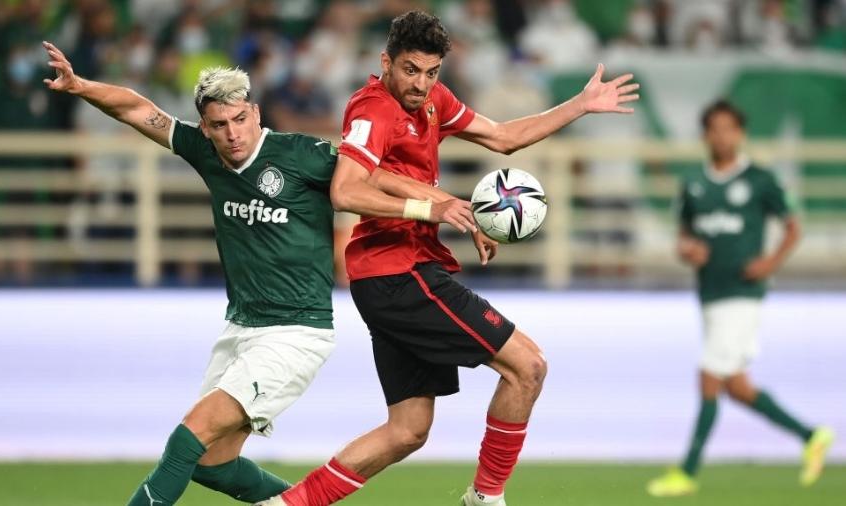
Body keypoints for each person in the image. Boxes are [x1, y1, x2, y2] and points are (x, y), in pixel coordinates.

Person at [40, 40, 473, 506]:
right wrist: (81, 85)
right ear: (205, 129)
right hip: (240, 327)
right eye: (219, 125)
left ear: (256, 113)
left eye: (240, 119)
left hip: (294, 332)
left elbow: (374, 177)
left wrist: (442, 202)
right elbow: (136, 109)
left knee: (188, 438)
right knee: (211, 462)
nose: (232, 134)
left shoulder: (301, 155)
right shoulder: (204, 153)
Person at [258, 10, 640, 506]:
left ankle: (288, 505)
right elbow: (346, 190)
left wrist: (581, 106)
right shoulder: (373, 110)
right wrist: (431, 206)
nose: (420, 84)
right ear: (386, 62)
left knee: (408, 430)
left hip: (398, 275)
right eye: (411, 70)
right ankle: (485, 498)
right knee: (527, 366)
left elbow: (503, 138)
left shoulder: (434, 101)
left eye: (431, 72)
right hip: (399, 274)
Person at [646, 100, 835, 497]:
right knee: (737, 386)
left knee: (709, 377)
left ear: (741, 133)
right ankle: (812, 435)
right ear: (705, 135)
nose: (722, 136)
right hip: (710, 293)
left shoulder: (762, 179)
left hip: (743, 293)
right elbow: (683, 235)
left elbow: (794, 225)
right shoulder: (694, 182)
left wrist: (771, 262)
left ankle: (688, 471)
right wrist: (686, 250)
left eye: (729, 128)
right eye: (715, 128)